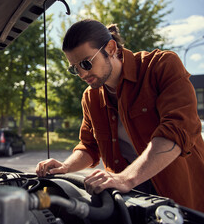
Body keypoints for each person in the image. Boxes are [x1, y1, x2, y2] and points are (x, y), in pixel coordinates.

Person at [35, 19, 204, 212]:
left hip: (182, 197)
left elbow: (176, 131)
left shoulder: (161, 66)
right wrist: (65, 167)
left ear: (111, 48)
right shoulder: (90, 97)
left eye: (86, 63)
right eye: (75, 68)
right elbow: (89, 147)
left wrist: (126, 178)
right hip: (129, 199)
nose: (82, 74)